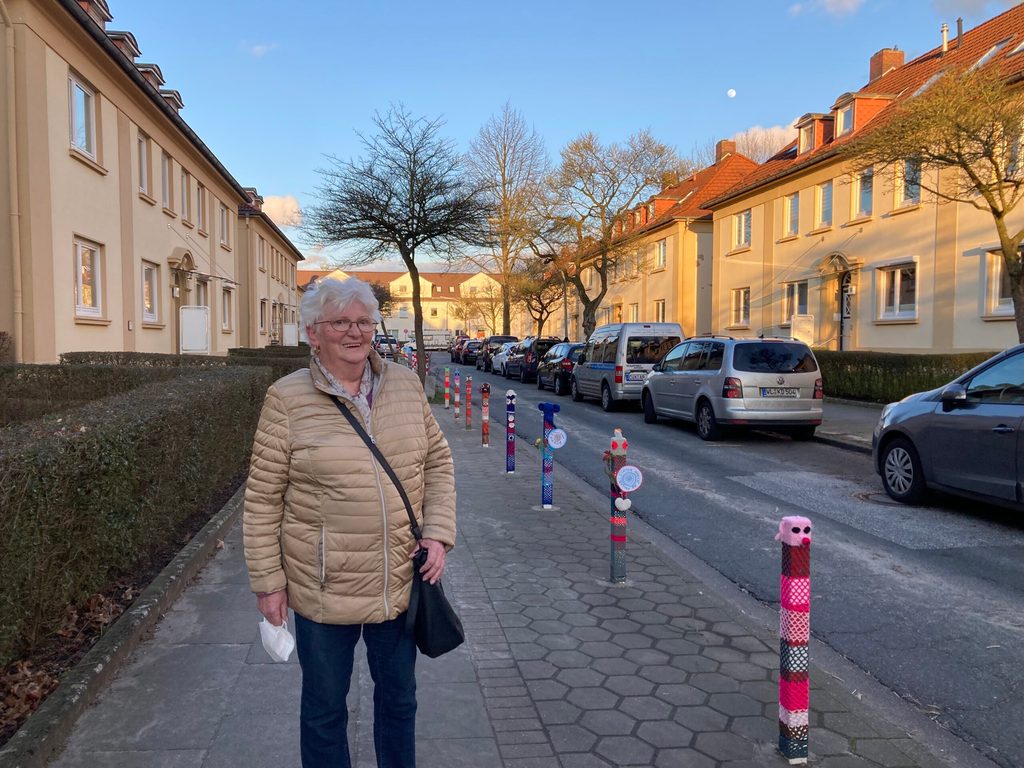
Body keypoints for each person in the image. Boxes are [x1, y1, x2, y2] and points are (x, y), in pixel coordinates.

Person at [244, 276, 456, 768]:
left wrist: (439, 534)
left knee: (400, 702)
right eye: (340, 322)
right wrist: (268, 583)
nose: (354, 332)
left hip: (398, 582)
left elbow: (438, 462)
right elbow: (262, 499)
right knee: (323, 711)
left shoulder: (404, 383)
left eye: (363, 321)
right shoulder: (286, 399)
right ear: (313, 333)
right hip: (323, 586)